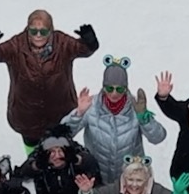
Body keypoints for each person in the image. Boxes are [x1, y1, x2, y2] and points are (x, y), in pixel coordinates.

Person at [0, 10, 98, 147]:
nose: (38, 36)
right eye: (33, 31)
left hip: (60, 111)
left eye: (43, 32)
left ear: (50, 30)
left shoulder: (62, 42)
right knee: (32, 150)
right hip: (26, 114)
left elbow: (83, 50)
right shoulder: (17, 45)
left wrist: (91, 43)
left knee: (60, 148)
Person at [58, 54, 165, 183]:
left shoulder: (136, 108)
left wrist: (144, 118)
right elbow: (63, 134)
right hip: (97, 178)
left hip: (130, 181)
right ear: (103, 87)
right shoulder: (91, 107)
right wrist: (79, 113)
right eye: (109, 88)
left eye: (119, 89)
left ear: (126, 88)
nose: (114, 93)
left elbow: (158, 138)